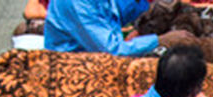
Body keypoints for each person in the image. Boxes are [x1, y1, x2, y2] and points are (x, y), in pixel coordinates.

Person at [45, 0, 196, 57]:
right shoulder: (76, 3)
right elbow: (113, 50)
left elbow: (121, 12)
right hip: (73, 68)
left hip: (104, 57)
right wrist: (160, 40)